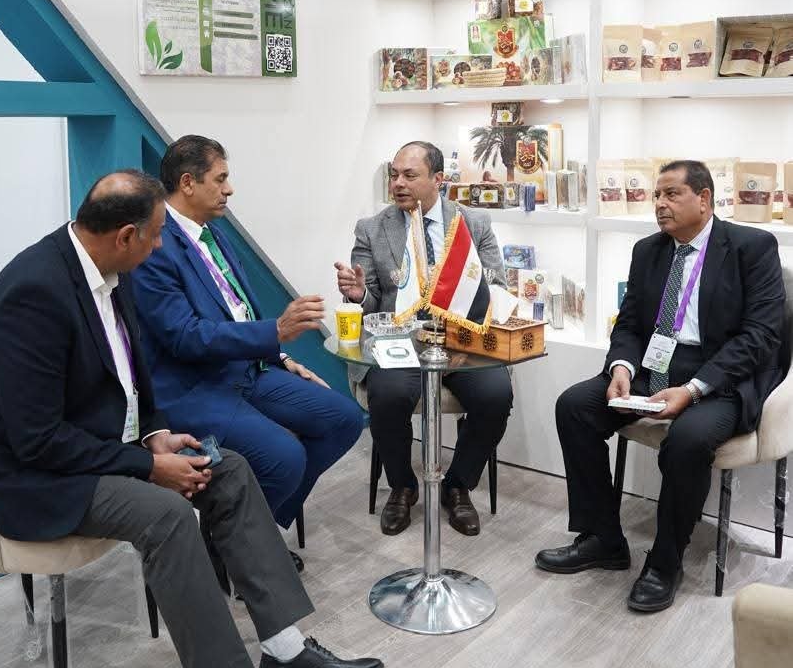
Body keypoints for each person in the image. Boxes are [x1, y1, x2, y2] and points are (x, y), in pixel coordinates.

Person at [0, 171, 382, 668]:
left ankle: (285, 654)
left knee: (230, 469)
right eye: (154, 236)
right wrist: (147, 465)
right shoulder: (34, 295)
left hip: (91, 446)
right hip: (24, 474)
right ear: (125, 235)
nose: (159, 248)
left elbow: (128, 377)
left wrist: (152, 435)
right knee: (169, 515)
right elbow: (36, 440)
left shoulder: (108, 271)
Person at [535, 160, 786, 613]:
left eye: (672, 194)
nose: (659, 204)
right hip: (655, 364)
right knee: (575, 406)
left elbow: (760, 337)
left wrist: (693, 389)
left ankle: (666, 562)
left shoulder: (751, 247)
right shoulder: (648, 250)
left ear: (704, 199)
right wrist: (621, 367)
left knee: (688, 440)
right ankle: (603, 538)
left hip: (721, 373)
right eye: (656, 195)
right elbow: (630, 322)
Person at [131, 137, 363, 554]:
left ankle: (245, 536)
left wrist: (281, 355)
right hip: (195, 387)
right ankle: (244, 547)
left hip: (248, 369)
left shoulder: (214, 234)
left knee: (345, 418)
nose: (230, 189)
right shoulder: (156, 245)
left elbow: (236, 310)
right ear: (188, 183)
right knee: (285, 457)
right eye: (220, 179)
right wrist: (275, 331)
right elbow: (185, 336)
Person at [335, 141, 512, 537]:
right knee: (387, 394)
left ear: (438, 179)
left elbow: (496, 286)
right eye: (394, 175)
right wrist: (359, 295)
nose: (398, 183)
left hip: (462, 344)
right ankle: (402, 486)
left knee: (496, 395)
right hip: (401, 344)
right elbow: (372, 304)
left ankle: (457, 486)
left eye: (409, 175)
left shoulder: (473, 223)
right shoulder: (372, 229)